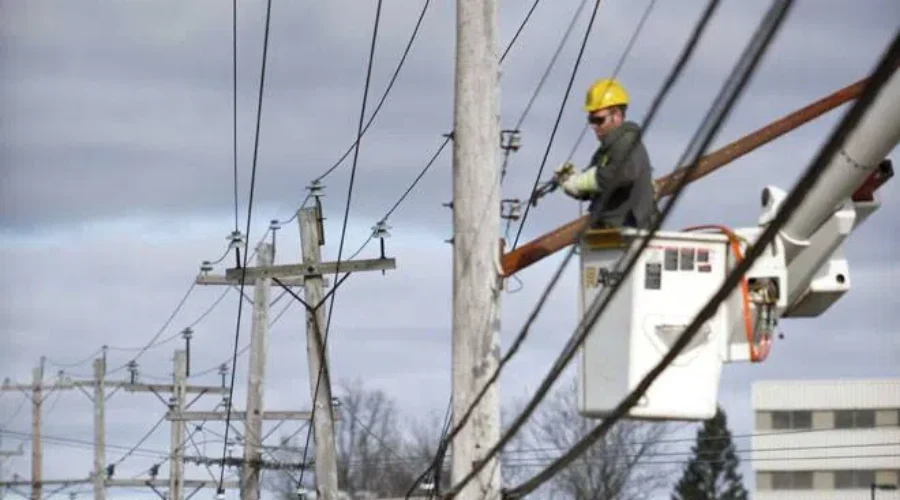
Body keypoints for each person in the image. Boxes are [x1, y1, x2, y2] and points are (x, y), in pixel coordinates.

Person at [557, 78, 658, 229]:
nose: (594, 126)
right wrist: (572, 182)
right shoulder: (606, 150)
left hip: (630, 229)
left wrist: (582, 181)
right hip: (610, 230)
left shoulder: (628, 142)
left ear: (616, 115)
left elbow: (622, 174)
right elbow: (597, 185)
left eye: (599, 120)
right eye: (591, 120)